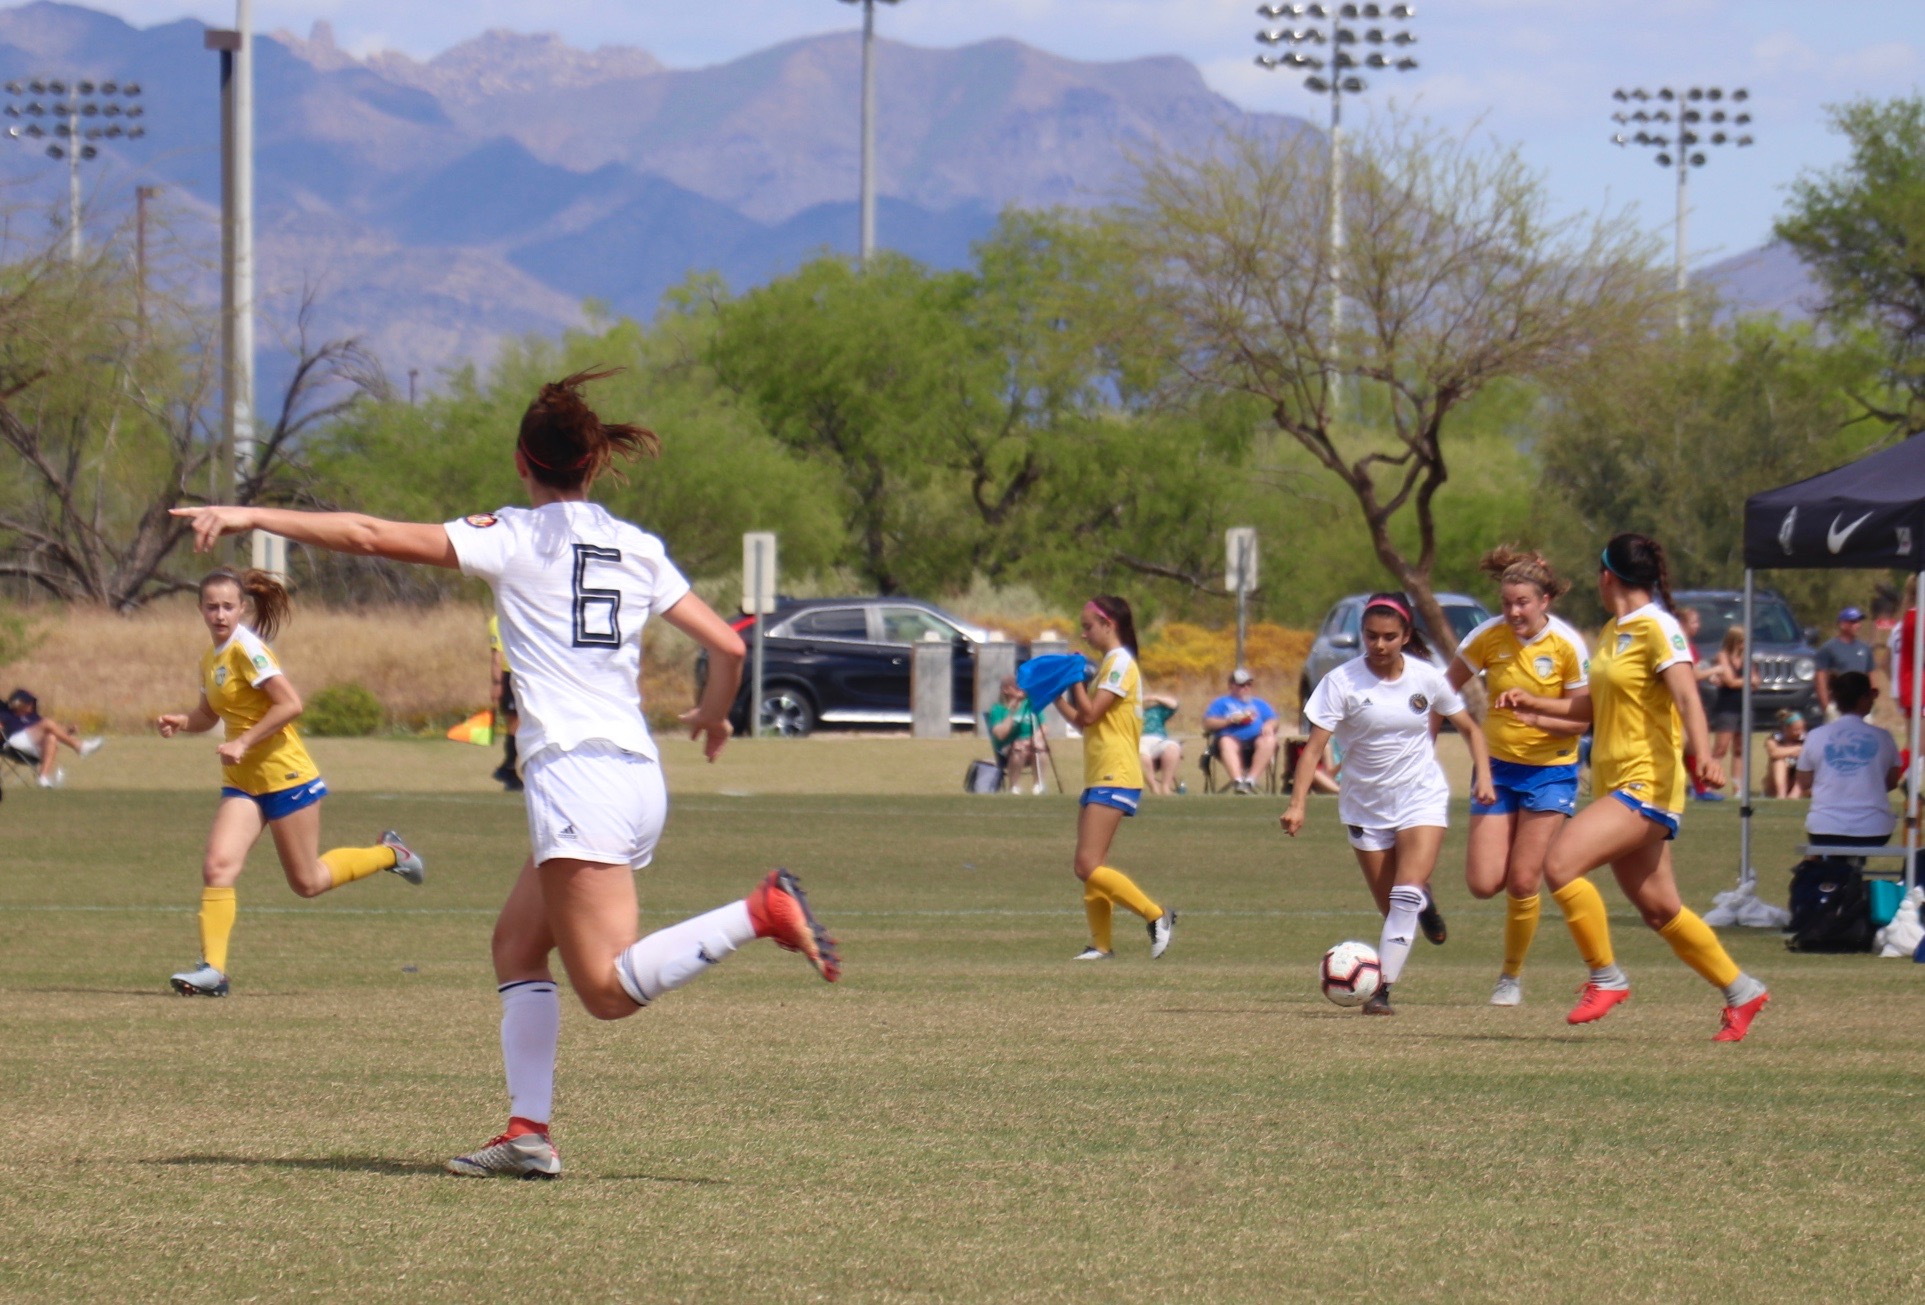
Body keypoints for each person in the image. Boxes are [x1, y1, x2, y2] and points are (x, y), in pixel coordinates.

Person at [171, 367, 840, 1179]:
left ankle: (760, 910)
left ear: (523, 463)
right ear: (593, 465)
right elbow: (729, 645)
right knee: (518, 944)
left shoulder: (515, 536)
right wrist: (711, 713)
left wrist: (247, 513)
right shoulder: (637, 546)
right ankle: (527, 1132)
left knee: (605, 989)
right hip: (633, 774)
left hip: (577, 778)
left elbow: (371, 534)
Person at [1493, 532, 1771, 1042]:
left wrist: (1704, 756)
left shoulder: (1660, 629)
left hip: (1648, 782)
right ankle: (1742, 990)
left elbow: (1688, 698)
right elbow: (1593, 708)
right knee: (1660, 908)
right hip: (1616, 783)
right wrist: (1533, 703)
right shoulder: (1612, 631)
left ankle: (1606, 976)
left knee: (1559, 864)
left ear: (1606, 576)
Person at [155, 568, 426, 998]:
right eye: (212, 607)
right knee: (217, 866)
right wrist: (182, 721)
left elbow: (290, 704)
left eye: (228, 606)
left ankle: (391, 853)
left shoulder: (248, 648)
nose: (220, 614)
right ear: (200, 609)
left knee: (308, 883)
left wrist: (244, 740)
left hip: (286, 777)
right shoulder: (211, 658)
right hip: (243, 783)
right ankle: (213, 970)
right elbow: (209, 715)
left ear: (242, 608)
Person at [1282, 593, 1496, 1015]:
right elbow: (1312, 750)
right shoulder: (1341, 682)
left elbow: (1470, 728)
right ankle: (1424, 901)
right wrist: (1297, 804)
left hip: (1421, 796)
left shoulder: (1427, 677)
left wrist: (1484, 777)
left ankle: (1380, 990)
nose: (1379, 645)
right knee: (1393, 906)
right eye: (1371, 636)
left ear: (1406, 636)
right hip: (1365, 804)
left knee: (1401, 899)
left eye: (1389, 637)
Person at [1447, 546, 1591, 1008]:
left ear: (1544, 601)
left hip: (1551, 772)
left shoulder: (1568, 646)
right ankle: (1510, 969)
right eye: (1507, 603)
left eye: (1522, 603)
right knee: (1484, 883)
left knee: (1525, 880)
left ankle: (1510, 977)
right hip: (1498, 770)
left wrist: (1536, 719)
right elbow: (1440, 692)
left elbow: (1583, 721)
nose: (1513, 612)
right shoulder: (1487, 637)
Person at [1046, 594, 1175, 961]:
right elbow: (1082, 719)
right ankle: (1101, 945)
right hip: (1100, 771)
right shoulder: (1109, 664)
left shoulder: (1120, 663)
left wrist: (1072, 681)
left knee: (1086, 864)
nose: (1084, 634)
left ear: (1109, 625)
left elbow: (1089, 714)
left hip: (1115, 772)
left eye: (1089, 626)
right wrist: (1057, 693)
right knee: (1092, 865)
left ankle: (1156, 916)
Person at [1795, 671, 1903, 851]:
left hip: (1824, 829)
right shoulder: (1884, 738)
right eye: (1872, 694)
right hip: (1874, 830)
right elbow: (1892, 781)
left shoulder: (1815, 736)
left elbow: (1804, 781)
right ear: (1863, 697)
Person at [0, 687, 102, 788]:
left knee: (51, 737)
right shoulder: (6, 713)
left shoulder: (33, 717)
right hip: (13, 741)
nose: (31, 705)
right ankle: (79, 747)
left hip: (33, 745)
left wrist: (68, 730)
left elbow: (53, 730)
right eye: (27, 702)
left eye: (31, 702)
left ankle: (42, 778)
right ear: (18, 703)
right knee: (47, 723)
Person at [1203, 668, 1279, 794]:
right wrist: (1230, 720)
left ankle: (1250, 781)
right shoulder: (1221, 703)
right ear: (1231, 686)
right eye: (1241, 685)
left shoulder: (1259, 703)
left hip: (1256, 745)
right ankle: (1238, 781)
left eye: (1248, 684)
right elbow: (1208, 723)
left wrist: (1269, 725)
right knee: (1226, 741)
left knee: (1269, 740)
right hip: (1230, 743)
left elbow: (1274, 720)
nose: (1246, 687)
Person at [1705, 626, 1754, 796]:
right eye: (1743, 641)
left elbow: (1756, 681)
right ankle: (1708, 784)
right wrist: (1747, 680)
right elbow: (1731, 681)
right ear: (1736, 641)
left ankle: (1738, 787)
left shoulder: (1747, 658)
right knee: (1720, 748)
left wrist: (1743, 681)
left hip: (1744, 706)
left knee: (1740, 749)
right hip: (1727, 706)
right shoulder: (1722, 657)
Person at [1814, 606, 1875, 721]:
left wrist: (1870, 700)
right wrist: (1826, 706)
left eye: (1858, 621)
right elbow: (1820, 677)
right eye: (1853, 622)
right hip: (1838, 705)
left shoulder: (1865, 648)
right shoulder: (1828, 648)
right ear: (1843, 624)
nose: (1857, 625)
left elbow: (1870, 675)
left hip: (1861, 705)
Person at [985, 675, 1043, 794]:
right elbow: (1000, 735)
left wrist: (1034, 738)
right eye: (1016, 685)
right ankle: (1014, 786)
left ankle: (1038, 785)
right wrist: (1013, 710)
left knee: (1041, 746)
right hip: (1007, 748)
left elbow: (1044, 726)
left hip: (1031, 745)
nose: (1020, 688)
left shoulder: (1030, 706)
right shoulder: (998, 710)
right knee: (1019, 746)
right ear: (1006, 690)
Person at [488, 612, 523, 792]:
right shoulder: (497, 621)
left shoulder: (518, 617)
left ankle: (508, 767)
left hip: (521, 675)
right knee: (515, 724)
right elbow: (497, 656)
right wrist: (497, 683)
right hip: (509, 677)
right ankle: (508, 768)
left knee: (520, 724)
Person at [1139, 689, 1184, 796]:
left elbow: (1174, 704)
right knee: (1141, 755)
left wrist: (1153, 697)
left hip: (1159, 740)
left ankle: (1165, 787)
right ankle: (1154, 788)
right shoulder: (1129, 710)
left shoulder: (1156, 710)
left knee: (1172, 748)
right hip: (1138, 741)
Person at [1763, 711, 1811, 799]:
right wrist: (1796, 749)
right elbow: (1774, 753)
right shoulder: (1775, 738)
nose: (1800, 732)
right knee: (1779, 762)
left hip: (1798, 781)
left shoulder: (1806, 739)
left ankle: (1795, 794)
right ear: (1786, 728)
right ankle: (1781, 794)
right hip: (1774, 784)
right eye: (1796, 730)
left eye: (1802, 729)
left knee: (1806, 764)